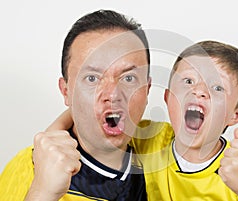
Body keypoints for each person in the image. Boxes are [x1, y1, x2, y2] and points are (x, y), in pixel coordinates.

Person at [47, 41, 238, 200]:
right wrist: (52, 134)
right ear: (168, 97)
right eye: (189, 81)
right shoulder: (148, 138)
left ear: (236, 115)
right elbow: (93, 115)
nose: (199, 91)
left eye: (216, 87)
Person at [0, 9, 151, 201]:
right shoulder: (29, 170)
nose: (112, 95)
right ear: (66, 91)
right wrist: (42, 192)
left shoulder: (164, 156)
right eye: (92, 78)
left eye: (128, 78)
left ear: (147, 89)